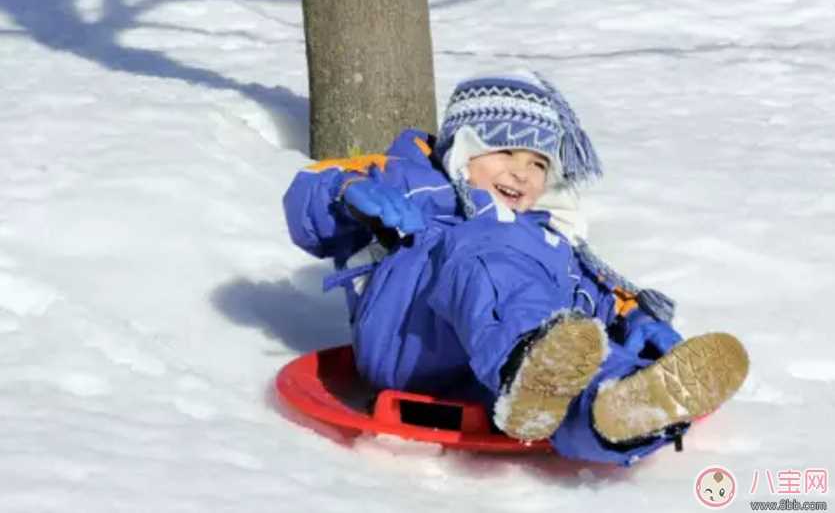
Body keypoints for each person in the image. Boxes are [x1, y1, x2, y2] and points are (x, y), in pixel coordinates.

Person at [283, 72, 749, 465]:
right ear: (463, 148)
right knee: (483, 246)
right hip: (409, 340)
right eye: (505, 152)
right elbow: (307, 200)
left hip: (494, 378)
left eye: (538, 163)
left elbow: (593, 293)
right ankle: (527, 358)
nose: (522, 173)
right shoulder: (414, 181)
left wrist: (634, 321)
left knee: (573, 380)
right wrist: (347, 195)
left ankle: (618, 406)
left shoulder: (550, 238)